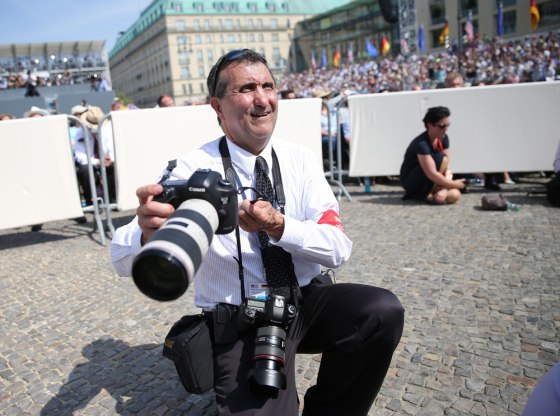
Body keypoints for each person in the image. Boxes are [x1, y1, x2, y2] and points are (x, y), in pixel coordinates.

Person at [111, 49, 404, 416]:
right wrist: (145, 231)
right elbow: (120, 259)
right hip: (240, 318)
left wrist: (280, 226)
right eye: (247, 88)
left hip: (305, 302)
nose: (262, 99)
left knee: (381, 311)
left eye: (268, 86)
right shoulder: (190, 168)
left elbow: (338, 249)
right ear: (217, 106)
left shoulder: (300, 160)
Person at [400, 106, 465, 204]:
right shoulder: (421, 143)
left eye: (448, 125)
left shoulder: (444, 138)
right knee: (439, 158)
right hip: (413, 181)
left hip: (432, 178)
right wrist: (453, 184)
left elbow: (447, 167)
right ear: (430, 125)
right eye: (442, 126)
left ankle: (434, 192)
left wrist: (445, 187)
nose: (446, 129)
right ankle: (424, 193)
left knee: (454, 196)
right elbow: (431, 173)